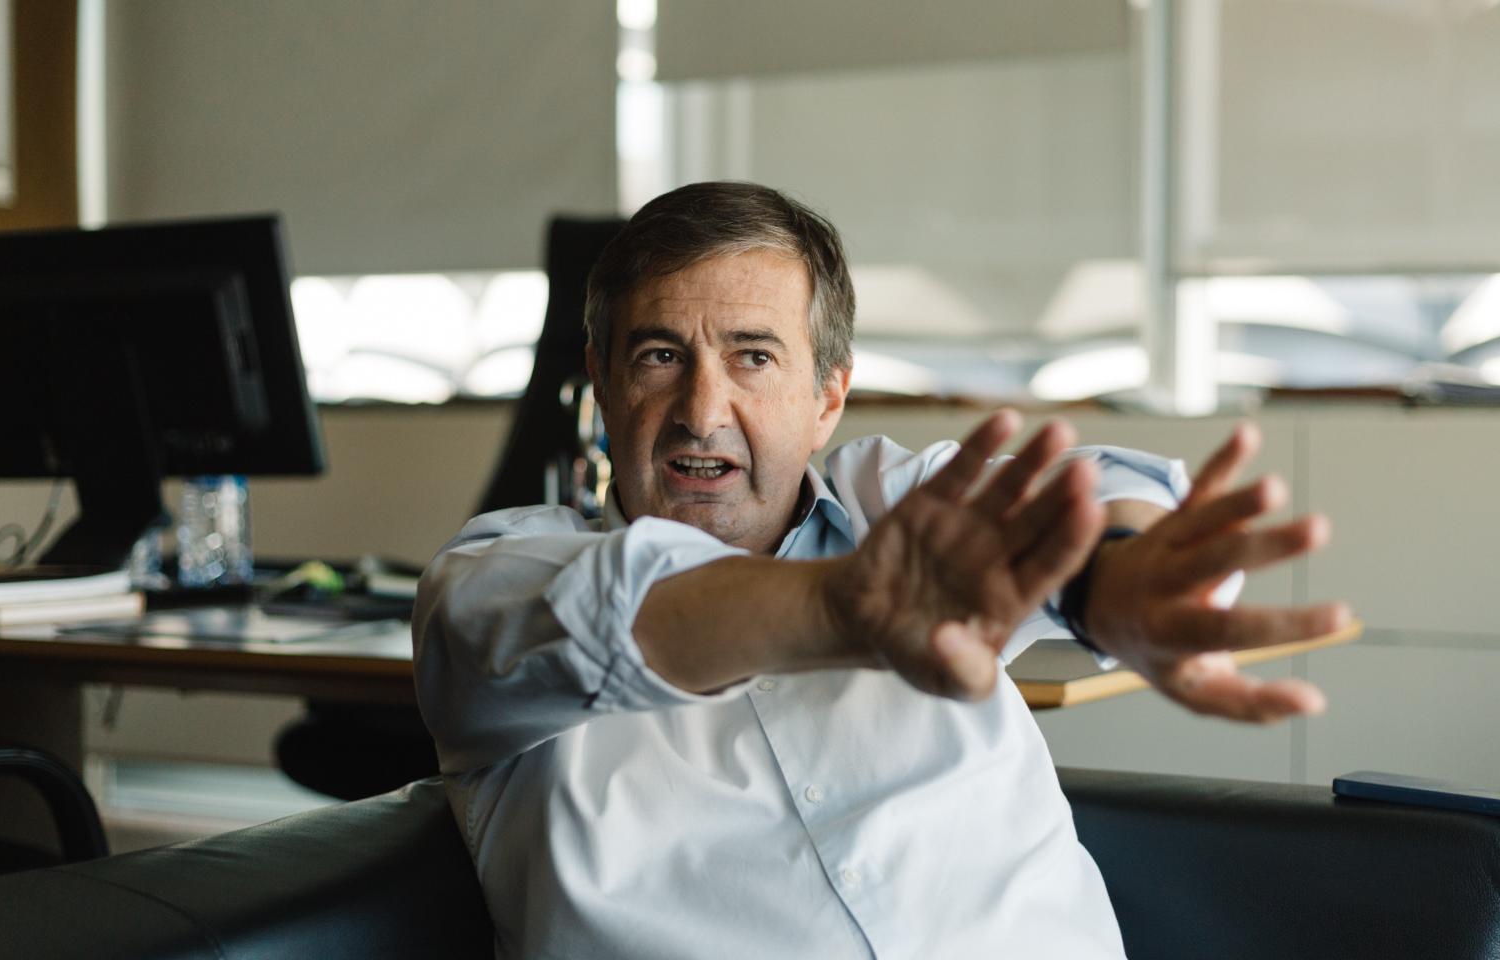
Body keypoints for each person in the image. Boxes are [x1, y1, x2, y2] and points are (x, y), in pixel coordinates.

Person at [413, 181, 1350, 959]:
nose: (703, 410)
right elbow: (616, 615)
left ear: (828, 397)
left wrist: (1105, 580)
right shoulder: (495, 574)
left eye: (753, 357)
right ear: (604, 385)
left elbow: (1086, 489)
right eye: (661, 356)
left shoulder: (894, 507)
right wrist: (846, 612)